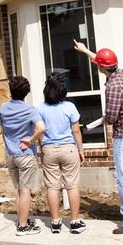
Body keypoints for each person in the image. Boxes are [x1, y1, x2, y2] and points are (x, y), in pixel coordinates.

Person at [73, 41, 123, 234]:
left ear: (102, 68)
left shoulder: (113, 87)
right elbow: (101, 60)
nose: (97, 66)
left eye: (98, 64)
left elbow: (111, 117)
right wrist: (85, 51)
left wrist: (98, 120)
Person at [35, 75, 87, 234]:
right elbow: (76, 130)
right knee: (72, 185)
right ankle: (75, 221)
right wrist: (81, 149)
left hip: (49, 149)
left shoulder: (41, 108)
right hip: (68, 149)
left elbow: (38, 131)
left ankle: (56, 222)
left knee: (52, 186)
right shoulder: (70, 107)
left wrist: (41, 149)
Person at [0, 76, 45, 236]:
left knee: (19, 190)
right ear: (27, 92)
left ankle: (22, 220)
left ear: (10, 91)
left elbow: (3, 130)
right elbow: (41, 129)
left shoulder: (3, 108)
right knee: (25, 190)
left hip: (10, 154)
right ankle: (23, 226)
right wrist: (30, 140)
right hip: (25, 154)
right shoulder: (30, 110)